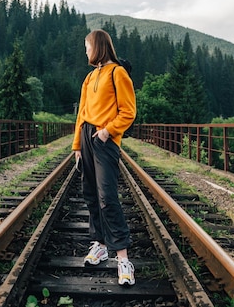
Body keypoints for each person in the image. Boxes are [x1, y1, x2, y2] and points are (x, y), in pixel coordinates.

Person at [72, 29, 137, 286]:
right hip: (87, 138)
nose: (85, 51)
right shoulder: (89, 78)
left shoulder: (117, 73)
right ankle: (99, 245)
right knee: (90, 194)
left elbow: (128, 112)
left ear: (98, 47)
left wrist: (107, 132)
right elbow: (82, 114)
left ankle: (123, 259)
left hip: (104, 140)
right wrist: (77, 145)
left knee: (107, 197)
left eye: (87, 46)